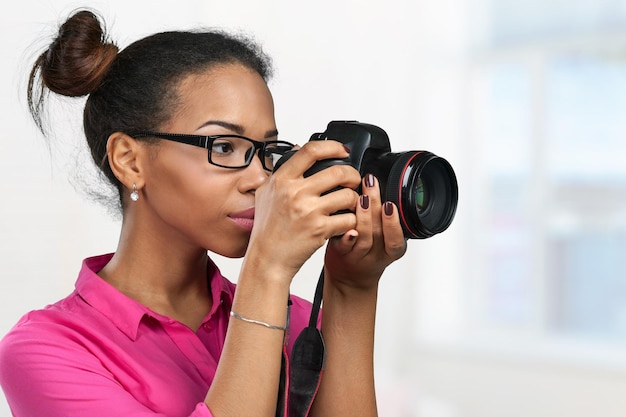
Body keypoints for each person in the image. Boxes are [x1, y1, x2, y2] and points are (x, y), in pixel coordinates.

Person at [0, 8, 407, 417]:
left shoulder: (299, 321)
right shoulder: (47, 350)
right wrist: (265, 269)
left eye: (266, 152)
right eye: (224, 147)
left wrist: (351, 289)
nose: (259, 180)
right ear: (129, 161)